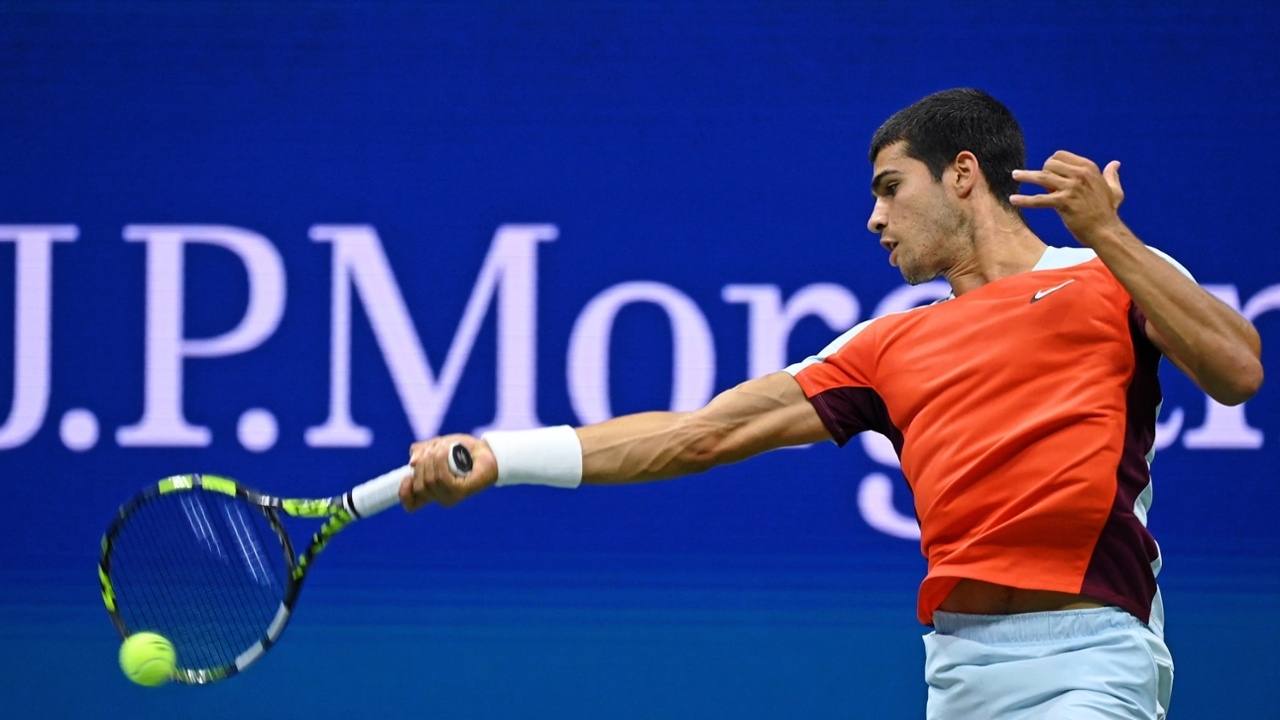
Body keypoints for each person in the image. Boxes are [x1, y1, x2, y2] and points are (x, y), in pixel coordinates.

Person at [398, 88, 1263, 719]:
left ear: (963, 174)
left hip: (1091, 664)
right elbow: (699, 435)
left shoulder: (1106, 279)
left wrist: (1108, 235)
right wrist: (503, 457)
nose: (874, 219)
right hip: (957, 677)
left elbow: (1237, 370)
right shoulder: (885, 347)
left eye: (891, 187)